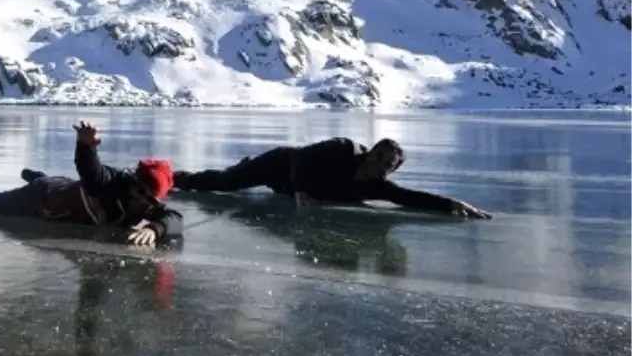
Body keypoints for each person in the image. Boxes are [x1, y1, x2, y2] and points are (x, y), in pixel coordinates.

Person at [0, 121, 183, 245]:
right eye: (141, 190)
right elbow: (91, 171)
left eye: (150, 197)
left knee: (59, 184)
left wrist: (154, 229)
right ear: (134, 179)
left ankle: (38, 175)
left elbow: (174, 218)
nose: (143, 199)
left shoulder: (145, 203)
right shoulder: (110, 182)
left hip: (63, 190)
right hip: (41, 199)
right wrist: (85, 146)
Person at [172, 137, 492, 219]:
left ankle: (241, 166)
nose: (379, 166)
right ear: (370, 152)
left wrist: (452, 204)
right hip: (279, 166)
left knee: (233, 176)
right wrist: (300, 192)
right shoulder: (343, 148)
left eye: (388, 165)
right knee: (224, 183)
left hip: (284, 187)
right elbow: (298, 158)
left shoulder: (379, 187)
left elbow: (411, 198)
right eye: (378, 157)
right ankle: (174, 178)